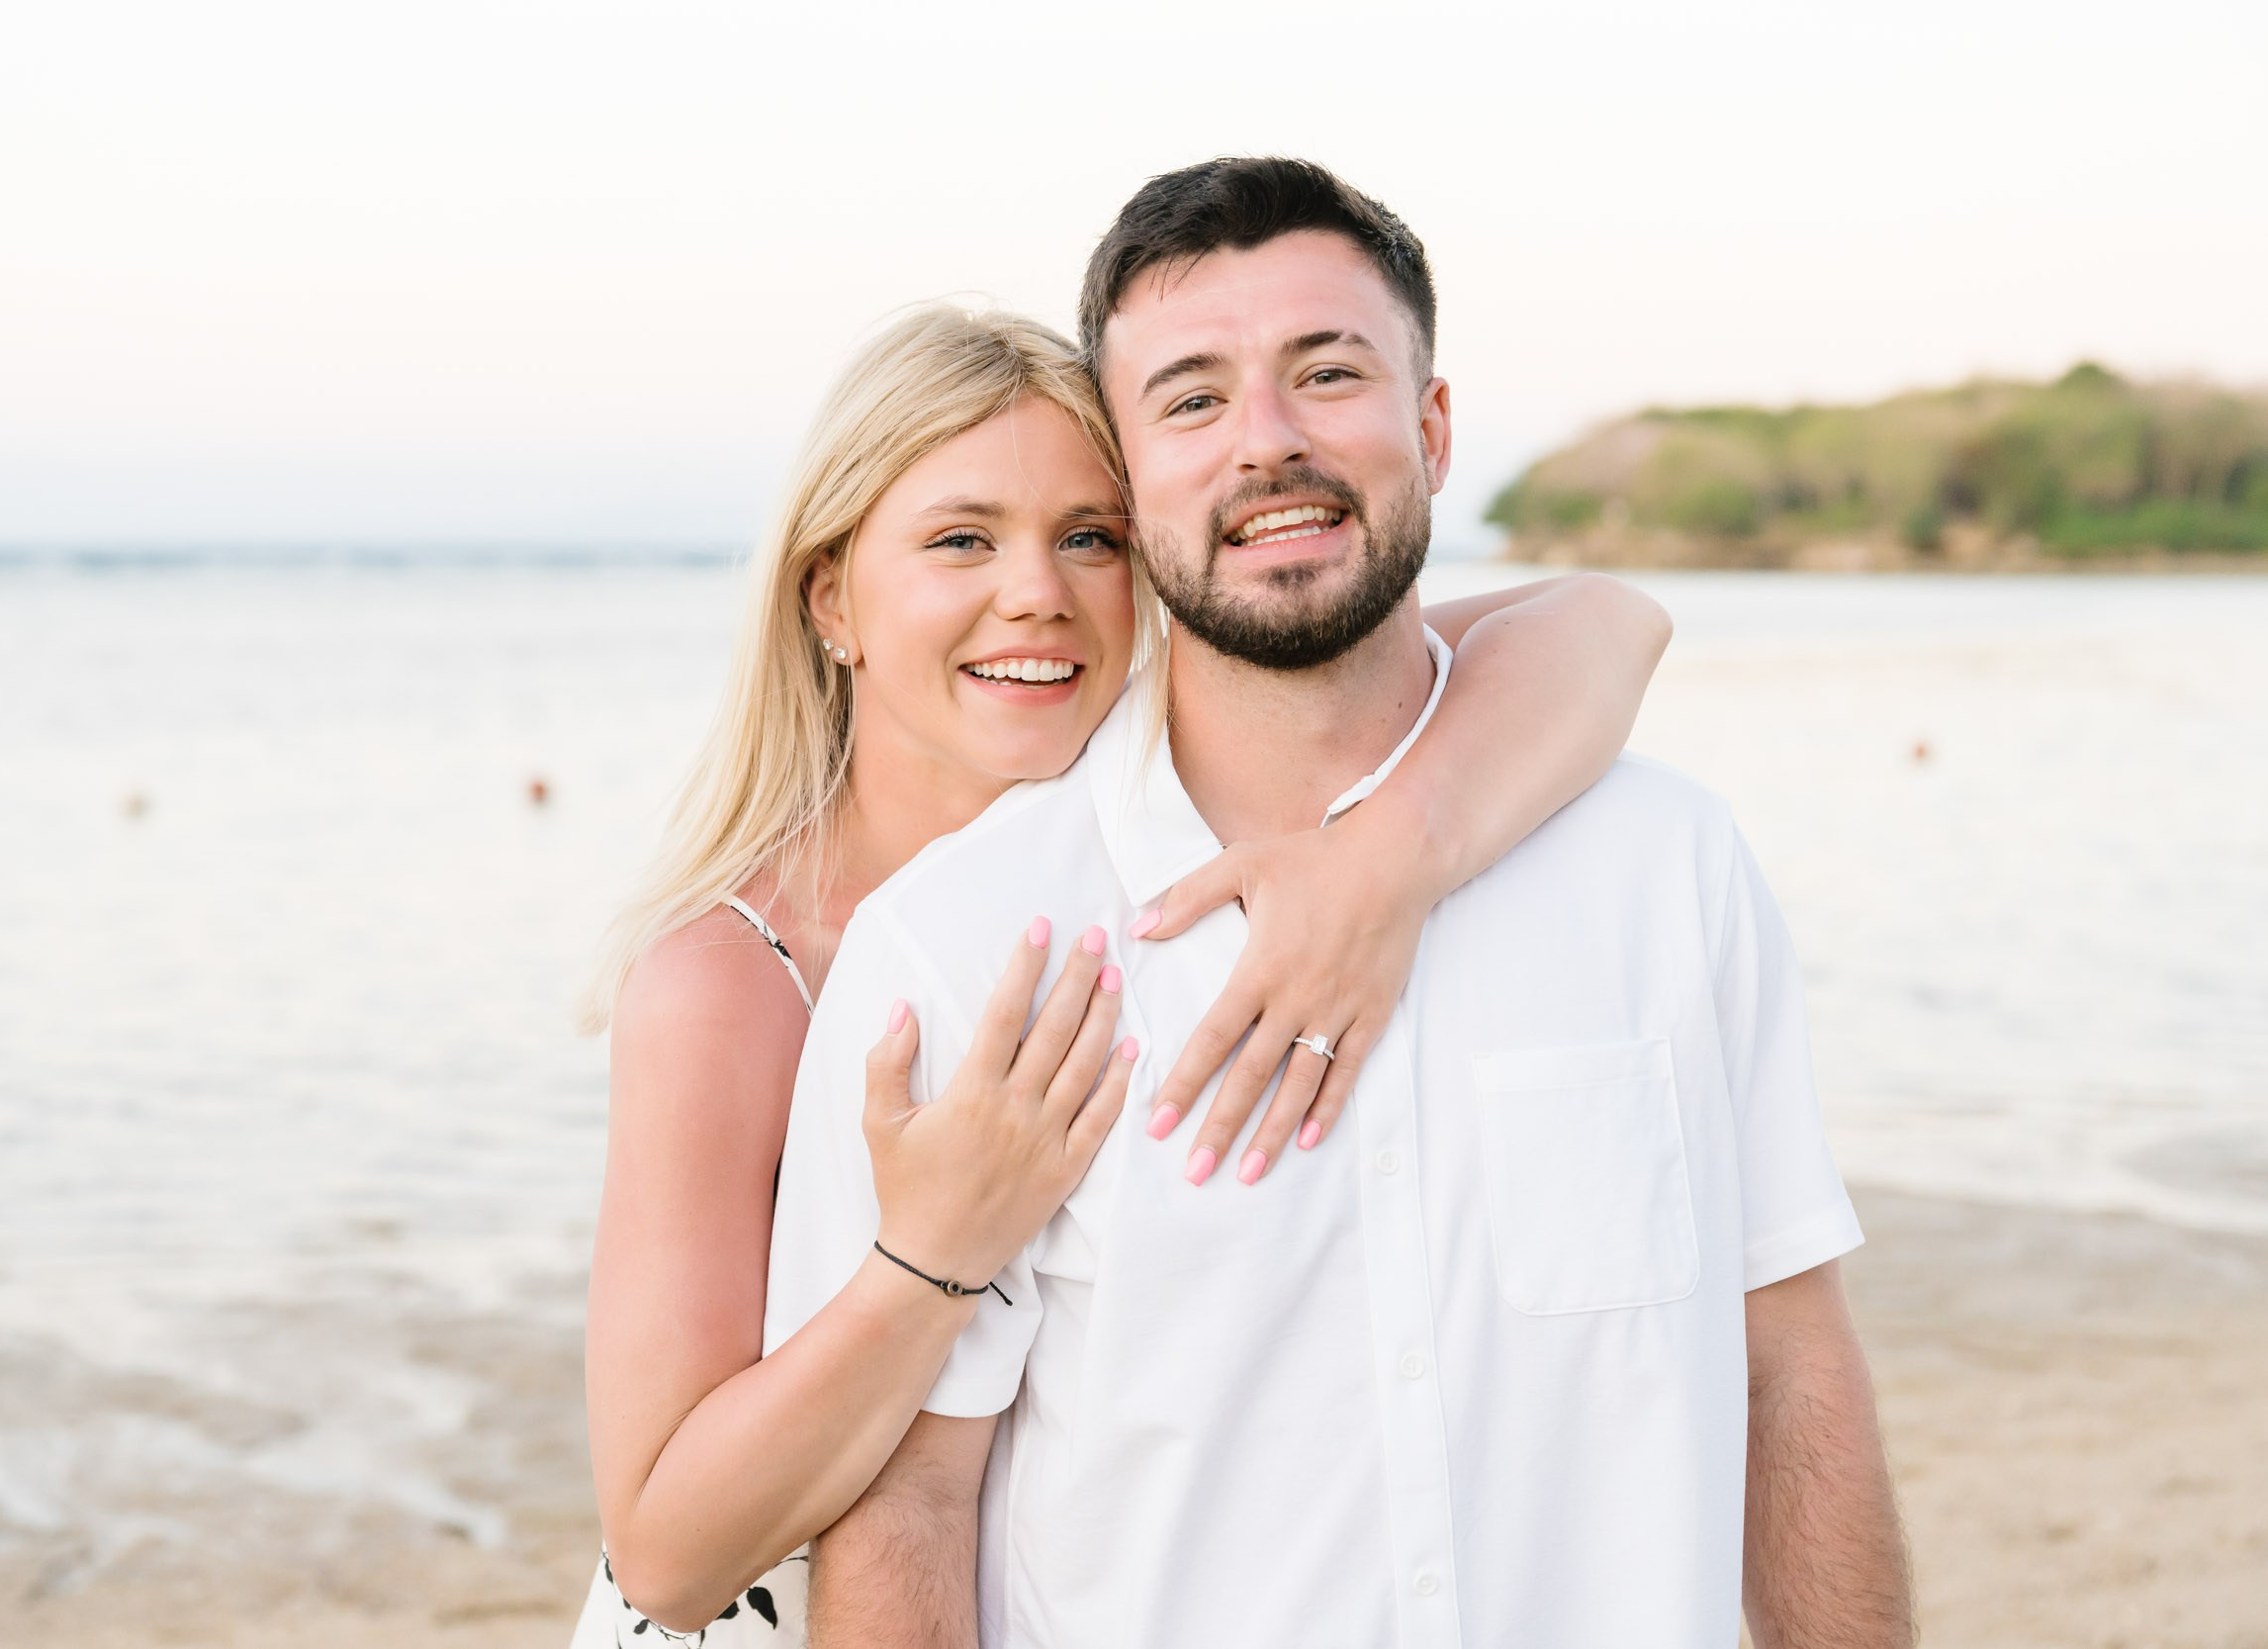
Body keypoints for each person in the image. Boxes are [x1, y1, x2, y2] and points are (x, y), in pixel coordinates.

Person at [762, 159, 1913, 1648]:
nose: (1271, 443)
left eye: (1328, 372)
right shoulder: (962, 948)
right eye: (1191, 399)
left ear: (1431, 427)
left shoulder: (1667, 865)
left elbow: (1788, 1368)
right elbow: (908, 1509)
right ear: (1128, 475)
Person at [571, 298, 1674, 1647]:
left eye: (1090, 538)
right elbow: (668, 1557)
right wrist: (935, 1256)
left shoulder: (1147, 877)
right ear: (831, 598)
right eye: (961, 539)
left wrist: (1388, 862)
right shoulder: (731, 978)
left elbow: (1603, 622)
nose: (1037, 592)